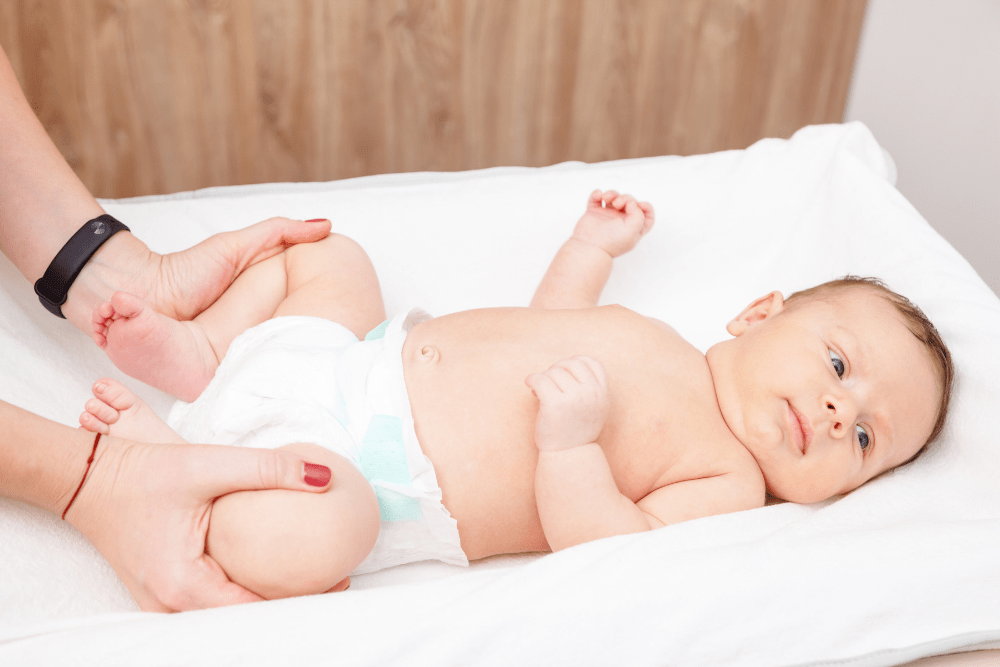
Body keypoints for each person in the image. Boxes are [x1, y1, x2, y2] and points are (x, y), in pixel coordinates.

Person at [79, 189, 953, 600]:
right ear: (760, 313)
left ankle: (180, 465)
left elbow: (610, 546)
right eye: (838, 365)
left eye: (865, 439)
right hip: (353, 361)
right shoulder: (665, 341)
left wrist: (570, 446)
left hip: (366, 474)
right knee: (330, 257)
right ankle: (207, 353)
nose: (839, 413)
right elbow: (552, 322)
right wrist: (590, 249)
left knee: (322, 531)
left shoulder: (727, 481)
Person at [0, 43, 345, 611]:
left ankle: (202, 350)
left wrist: (107, 270)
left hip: (362, 382)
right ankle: (179, 444)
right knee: (320, 522)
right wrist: (93, 479)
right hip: (366, 456)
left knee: (327, 255)